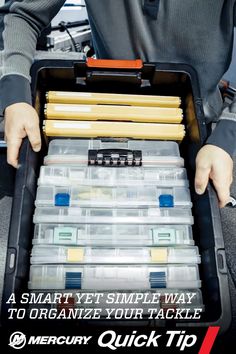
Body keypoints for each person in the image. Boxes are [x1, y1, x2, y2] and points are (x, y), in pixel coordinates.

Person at [0, 0, 235, 207]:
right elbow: (24, 14)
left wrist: (227, 137)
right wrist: (16, 93)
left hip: (204, 137)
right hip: (107, 119)